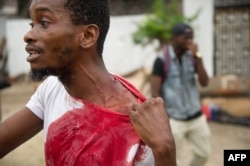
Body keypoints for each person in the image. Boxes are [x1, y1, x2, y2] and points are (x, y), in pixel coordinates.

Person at [0, 0, 176, 165]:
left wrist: (165, 152)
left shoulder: (139, 132)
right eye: (32, 24)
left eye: (44, 23)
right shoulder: (52, 89)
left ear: (87, 36)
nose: (28, 35)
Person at [151, 23, 211, 166]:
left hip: (195, 116)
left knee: (204, 153)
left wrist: (199, 57)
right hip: (175, 119)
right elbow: (155, 91)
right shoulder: (161, 60)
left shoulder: (193, 57)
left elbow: (204, 82)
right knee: (175, 161)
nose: (190, 41)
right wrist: (164, 119)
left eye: (191, 38)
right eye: (186, 38)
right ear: (174, 38)